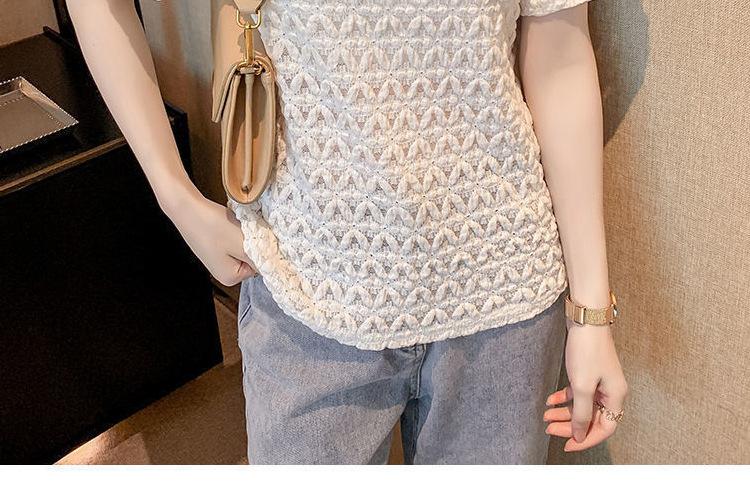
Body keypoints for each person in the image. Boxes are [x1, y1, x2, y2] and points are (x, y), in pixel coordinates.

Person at [68, 0, 628, 464]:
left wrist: (591, 312)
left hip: (505, 295)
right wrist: (174, 196)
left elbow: (559, 56)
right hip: (307, 287)